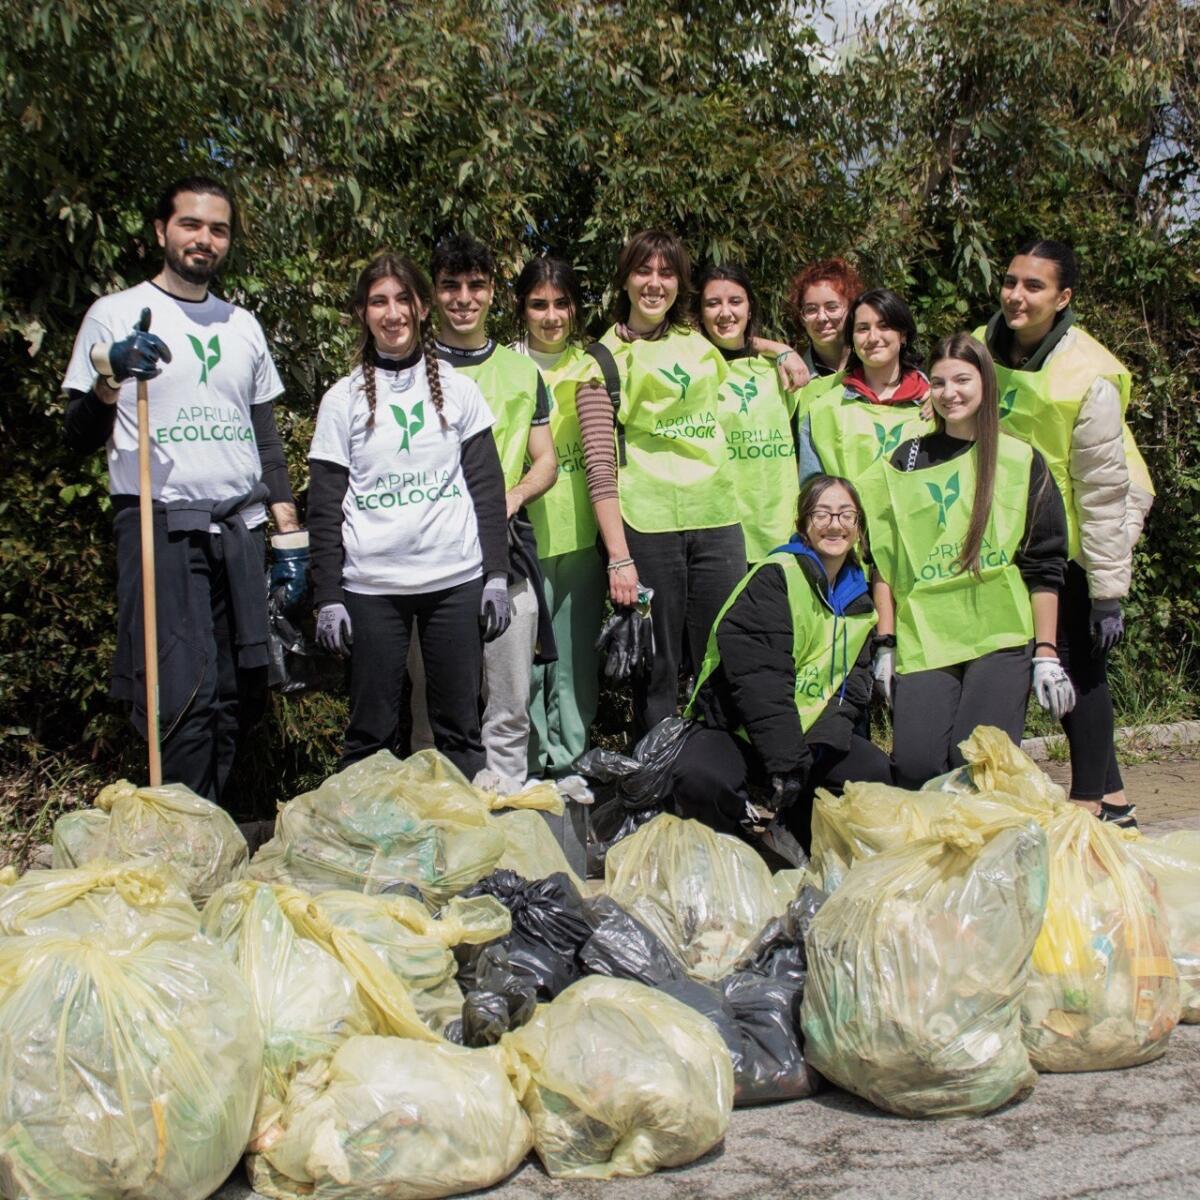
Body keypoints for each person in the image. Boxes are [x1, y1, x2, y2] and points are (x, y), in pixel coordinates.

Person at [62, 175, 306, 808]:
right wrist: (110, 377)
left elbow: (265, 439)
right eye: (191, 224)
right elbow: (76, 436)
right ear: (160, 231)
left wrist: (289, 534)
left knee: (238, 689)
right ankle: (181, 831)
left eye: (218, 229)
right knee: (181, 690)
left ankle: (214, 827)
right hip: (160, 523)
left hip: (239, 528)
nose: (205, 239)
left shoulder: (243, 325)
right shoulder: (115, 314)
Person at [306, 252, 508, 777]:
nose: (392, 313)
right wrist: (328, 596)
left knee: (460, 729)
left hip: (454, 580)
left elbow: (487, 489)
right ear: (362, 312)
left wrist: (496, 574)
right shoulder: (341, 400)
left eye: (403, 300)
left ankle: (466, 826)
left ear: (421, 308)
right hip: (372, 586)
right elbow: (324, 507)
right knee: (369, 732)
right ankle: (363, 828)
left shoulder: (459, 390)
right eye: (379, 302)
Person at [978, 239, 1154, 825]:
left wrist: (1107, 590)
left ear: (1063, 297)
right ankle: (1115, 800)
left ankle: (1090, 807)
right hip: (1013, 532)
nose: (1016, 295)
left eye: (1034, 286)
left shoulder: (1088, 373)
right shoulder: (983, 346)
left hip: (1080, 536)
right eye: (1011, 282)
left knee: (1081, 669)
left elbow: (1105, 492)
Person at [865, 333, 1072, 786]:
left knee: (977, 763)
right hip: (928, 634)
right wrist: (886, 643)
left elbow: (1044, 564)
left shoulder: (1019, 459)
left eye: (962, 380)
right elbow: (884, 559)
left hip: (998, 633)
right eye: (938, 383)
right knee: (916, 768)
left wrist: (1046, 653)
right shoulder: (906, 462)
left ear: (986, 383)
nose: (949, 393)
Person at [573, 230, 746, 736]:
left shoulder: (700, 344)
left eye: (666, 273)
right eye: (643, 271)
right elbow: (600, 468)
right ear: (625, 280)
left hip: (717, 519)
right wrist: (618, 557)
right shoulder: (600, 361)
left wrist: (783, 352)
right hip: (647, 528)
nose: (655, 283)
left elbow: (744, 336)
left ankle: (717, 762)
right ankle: (657, 768)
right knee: (656, 666)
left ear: (679, 283)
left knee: (723, 651)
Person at [676, 475, 892, 851]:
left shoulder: (861, 602)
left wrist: (813, 755)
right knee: (699, 777)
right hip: (737, 728)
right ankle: (726, 850)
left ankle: (802, 835)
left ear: (858, 528)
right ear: (803, 525)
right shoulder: (776, 577)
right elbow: (761, 682)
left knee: (874, 774)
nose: (835, 524)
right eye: (822, 514)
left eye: (846, 515)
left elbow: (848, 694)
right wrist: (788, 764)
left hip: (804, 738)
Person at [428, 234, 558, 788]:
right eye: (450, 286)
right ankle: (439, 817)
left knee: (509, 705)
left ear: (491, 293)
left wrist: (514, 495)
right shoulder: (412, 368)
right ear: (433, 294)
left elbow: (546, 460)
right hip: (429, 559)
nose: (464, 298)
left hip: (507, 552)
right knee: (433, 712)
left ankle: (507, 818)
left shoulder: (523, 371)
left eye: (475, 286)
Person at [512, 256, 606, 777]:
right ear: (521, 309)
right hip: (522, 538)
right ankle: (526, 766)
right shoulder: (506, 368)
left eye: (561, 304)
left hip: (582, 536)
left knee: (574, 664)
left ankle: (569, 765)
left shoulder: (593, 366)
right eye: (538, 304)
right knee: (523, 665)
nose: (551, 316)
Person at [694, 263, 800, 564]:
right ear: (700, 313)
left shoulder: (779, 368)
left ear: (750, 308)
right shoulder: (694, 371)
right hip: (720, 531)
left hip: (780, 527)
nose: (725, 312)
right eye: (713, 303)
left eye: (735, 301)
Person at [797, 287, 933, 491]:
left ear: (903, 335)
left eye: (884, 326)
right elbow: (812, 492)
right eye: (862, 329)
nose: (873, 337)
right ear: (852, 339)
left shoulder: (934, 403)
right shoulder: (823, 411)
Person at [786, 256, 865, 421]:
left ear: (851, 310)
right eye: (811, 309)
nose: (821, 317)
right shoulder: (790, 377)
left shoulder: (874, 366)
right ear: (801, 318)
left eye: (832, 307)